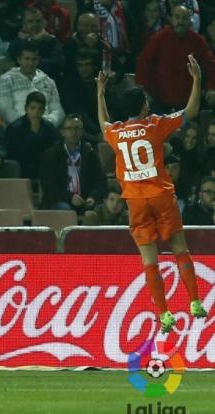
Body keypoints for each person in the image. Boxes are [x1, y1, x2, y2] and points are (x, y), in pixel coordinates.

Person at [97, 54, 207, 333]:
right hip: (160, 193)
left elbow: (102, 123)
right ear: (144, 105)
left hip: (134, 199)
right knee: (180, 248)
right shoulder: (155, 125)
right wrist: (197, 80)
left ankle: (164, 315)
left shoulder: (117, 133)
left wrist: (99, 93)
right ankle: (194, 301)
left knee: (150, 260)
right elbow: (190, 112)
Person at [136, 5, 215, 114]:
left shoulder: (198, 41)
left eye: (184, 18)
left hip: (188, 104)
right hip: (160, 103)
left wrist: (212, 88)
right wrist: (144, 91)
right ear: (171, 19)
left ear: (190, 21)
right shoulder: (158, 39)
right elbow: (143, 62)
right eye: (177, 17)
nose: (180, 22)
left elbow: (210, 65)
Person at [39, 114, 107, 211]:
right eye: (69, 128)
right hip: (59, 200)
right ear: (62, 132)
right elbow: (48, 186)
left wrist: (93, 197)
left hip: (85, 200)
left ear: (82, 132)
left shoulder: (90, 153)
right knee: (64, 208)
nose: (73, 132)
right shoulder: (51, 155)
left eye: (77, 128)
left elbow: (101, 182)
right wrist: (70, 197)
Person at [0, 40, 64, 127]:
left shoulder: (48, 81)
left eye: (34, 59)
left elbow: (57, 110)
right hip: (18, 129)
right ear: (19, 59)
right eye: (27, 59)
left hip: (45, 129)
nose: (31, 63)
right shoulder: (6, 80)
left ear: (38, 60)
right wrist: (26, 125)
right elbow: (4, 109)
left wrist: (46, 124)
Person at [4, 91, 60, 179]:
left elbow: (54, 150)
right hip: (23, 171)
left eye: (40, 109)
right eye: (33, 108)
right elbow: (16, 156)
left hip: (45, 170)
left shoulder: (49, 128)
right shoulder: (14, 129)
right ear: (26, 108)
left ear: (44, 111)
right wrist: (33, 134)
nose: (36, 112)